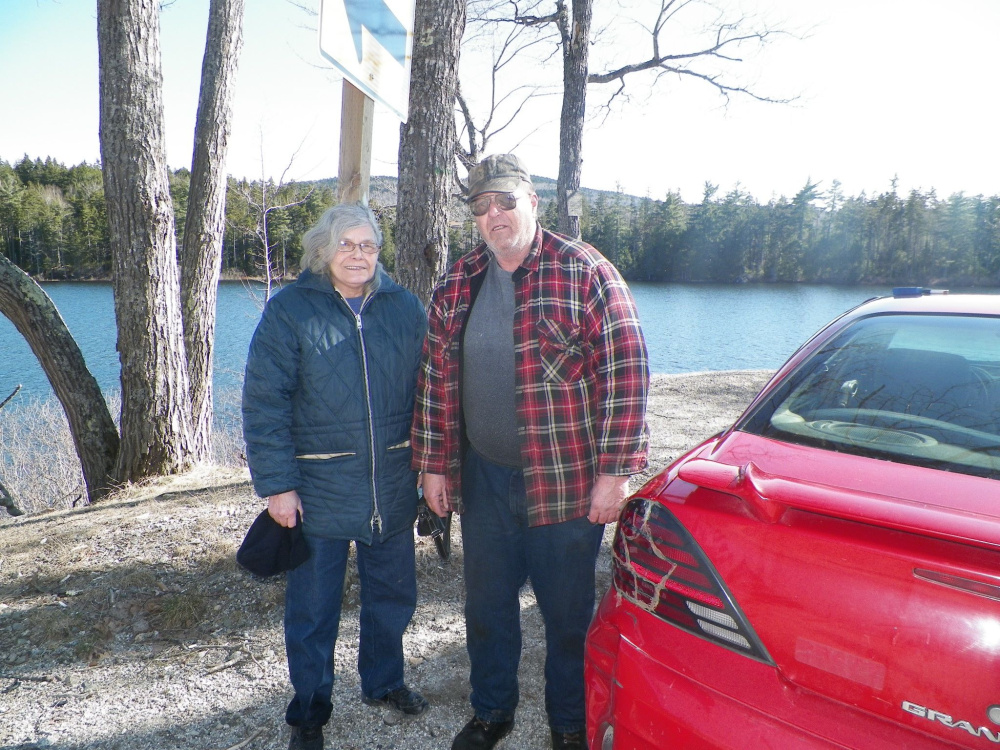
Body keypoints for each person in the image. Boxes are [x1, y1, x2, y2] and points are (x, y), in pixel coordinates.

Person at [412, 154, 649, 750]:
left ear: (533, 203)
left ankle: (568, 723)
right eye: (481, 206)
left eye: (505, 201)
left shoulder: (585, 271)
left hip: (567, 483)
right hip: (485, 480)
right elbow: (436, 382)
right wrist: (434, 464)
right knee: (487, 610)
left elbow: (627, 373)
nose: (494, 215)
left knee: (566, 618)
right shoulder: (456, 281)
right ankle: (493, 711)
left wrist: (615, 474)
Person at [242, 203, 429, 750]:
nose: (357, 255)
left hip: (392, 481)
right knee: (313, 610)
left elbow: (433, 395)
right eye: (345, 244)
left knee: (392, 597)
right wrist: (277, 485)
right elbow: (264, 403)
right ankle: (309, 710)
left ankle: (384, 681)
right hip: (318, 489)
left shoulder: (404, 309)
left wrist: (436, 467)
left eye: (367, 245)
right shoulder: (290, 311)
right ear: (323, 250)